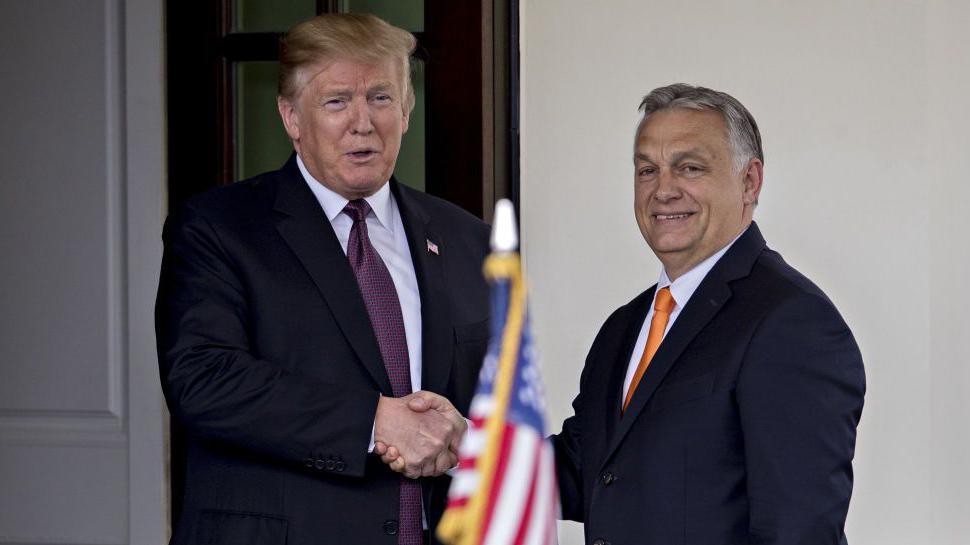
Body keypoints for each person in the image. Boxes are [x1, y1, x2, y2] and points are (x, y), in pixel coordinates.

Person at [155, 13, 491, 545]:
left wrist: (462, 440)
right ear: (291, 116)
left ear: (406, 112)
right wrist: (376, 423)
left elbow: (493, 398)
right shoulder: (219, 227)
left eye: (381, 98)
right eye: (337, 101)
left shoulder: (470, 240)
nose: (363, 122)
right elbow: (203, 379)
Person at [552, 84, 866, 545]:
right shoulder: (625, 326)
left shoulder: (791, 323)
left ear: (750, 181)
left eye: (690, 168)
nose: (663, 190)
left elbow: (798, 531)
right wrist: (461, 445)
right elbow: (588, 470)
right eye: (647, 170)